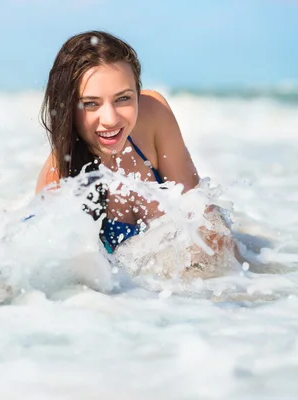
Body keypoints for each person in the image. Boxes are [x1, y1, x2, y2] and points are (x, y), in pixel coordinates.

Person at [35, 30, 238, 265]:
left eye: (123, 98)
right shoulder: (59, 181)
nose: (110, 119)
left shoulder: (153, 115)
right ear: (67, 107)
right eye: (90, 104)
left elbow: (204, 221)